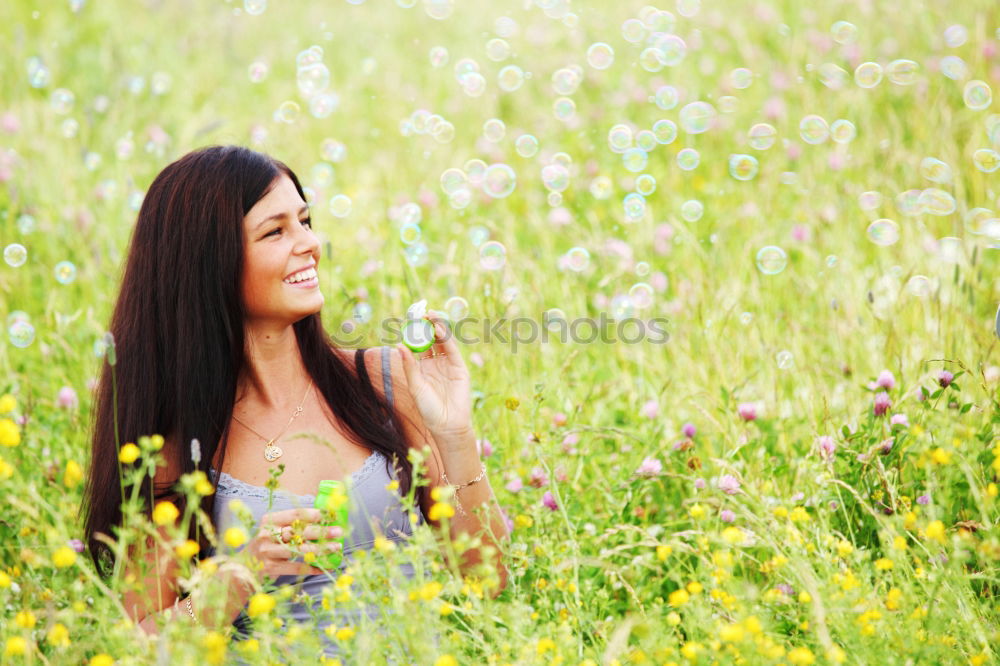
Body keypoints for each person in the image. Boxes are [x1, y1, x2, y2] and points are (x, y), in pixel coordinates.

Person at [80, 145, 509, 658]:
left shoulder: (383, 382)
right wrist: (238, 579)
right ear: (209, 262)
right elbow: (136, 643)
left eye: (304, 221)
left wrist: (456, 440)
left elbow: (487, 578)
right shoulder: (177, 446)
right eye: (275, 231)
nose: (309, 244)